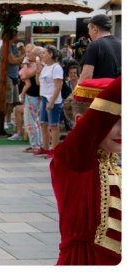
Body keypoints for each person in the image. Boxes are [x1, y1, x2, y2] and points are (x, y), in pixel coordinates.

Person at [50, 77, 121, 265]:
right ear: (83, 122)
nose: (123, 130)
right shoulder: (71, 162)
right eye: (114, 121)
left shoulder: (115, 167)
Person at [37, 46, 65, 158]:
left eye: (44, 53)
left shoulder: (56, 68)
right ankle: (45, 147)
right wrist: (37, 71)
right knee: (43, 123)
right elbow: (39, 83)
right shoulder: (45, 67)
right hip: (44, 97)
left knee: (53, 125)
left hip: (52, 99)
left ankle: (54, 149)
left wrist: (52, 101)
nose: (42, 55)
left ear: (51, 54)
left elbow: (58, 86)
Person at [80, 14, 121, 81]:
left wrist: (75, 91)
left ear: (95, 30)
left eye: (88, 29)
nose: (88, 33)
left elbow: (86, 77)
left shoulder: (94, 45)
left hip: (100, 90)